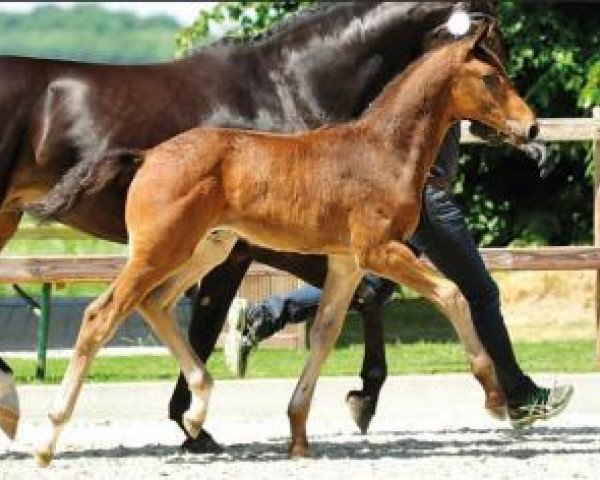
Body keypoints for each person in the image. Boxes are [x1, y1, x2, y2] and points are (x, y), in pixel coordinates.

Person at [225, 125, 573, 429]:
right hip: (426, 198)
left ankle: (264, 315)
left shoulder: (430, 61)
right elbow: (484, 114)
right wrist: (524, 142)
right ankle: (519, 394)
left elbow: (482, 123)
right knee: (480, 294)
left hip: (407, 194)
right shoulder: (444, 63)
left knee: (372, 287)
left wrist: (521, 141)